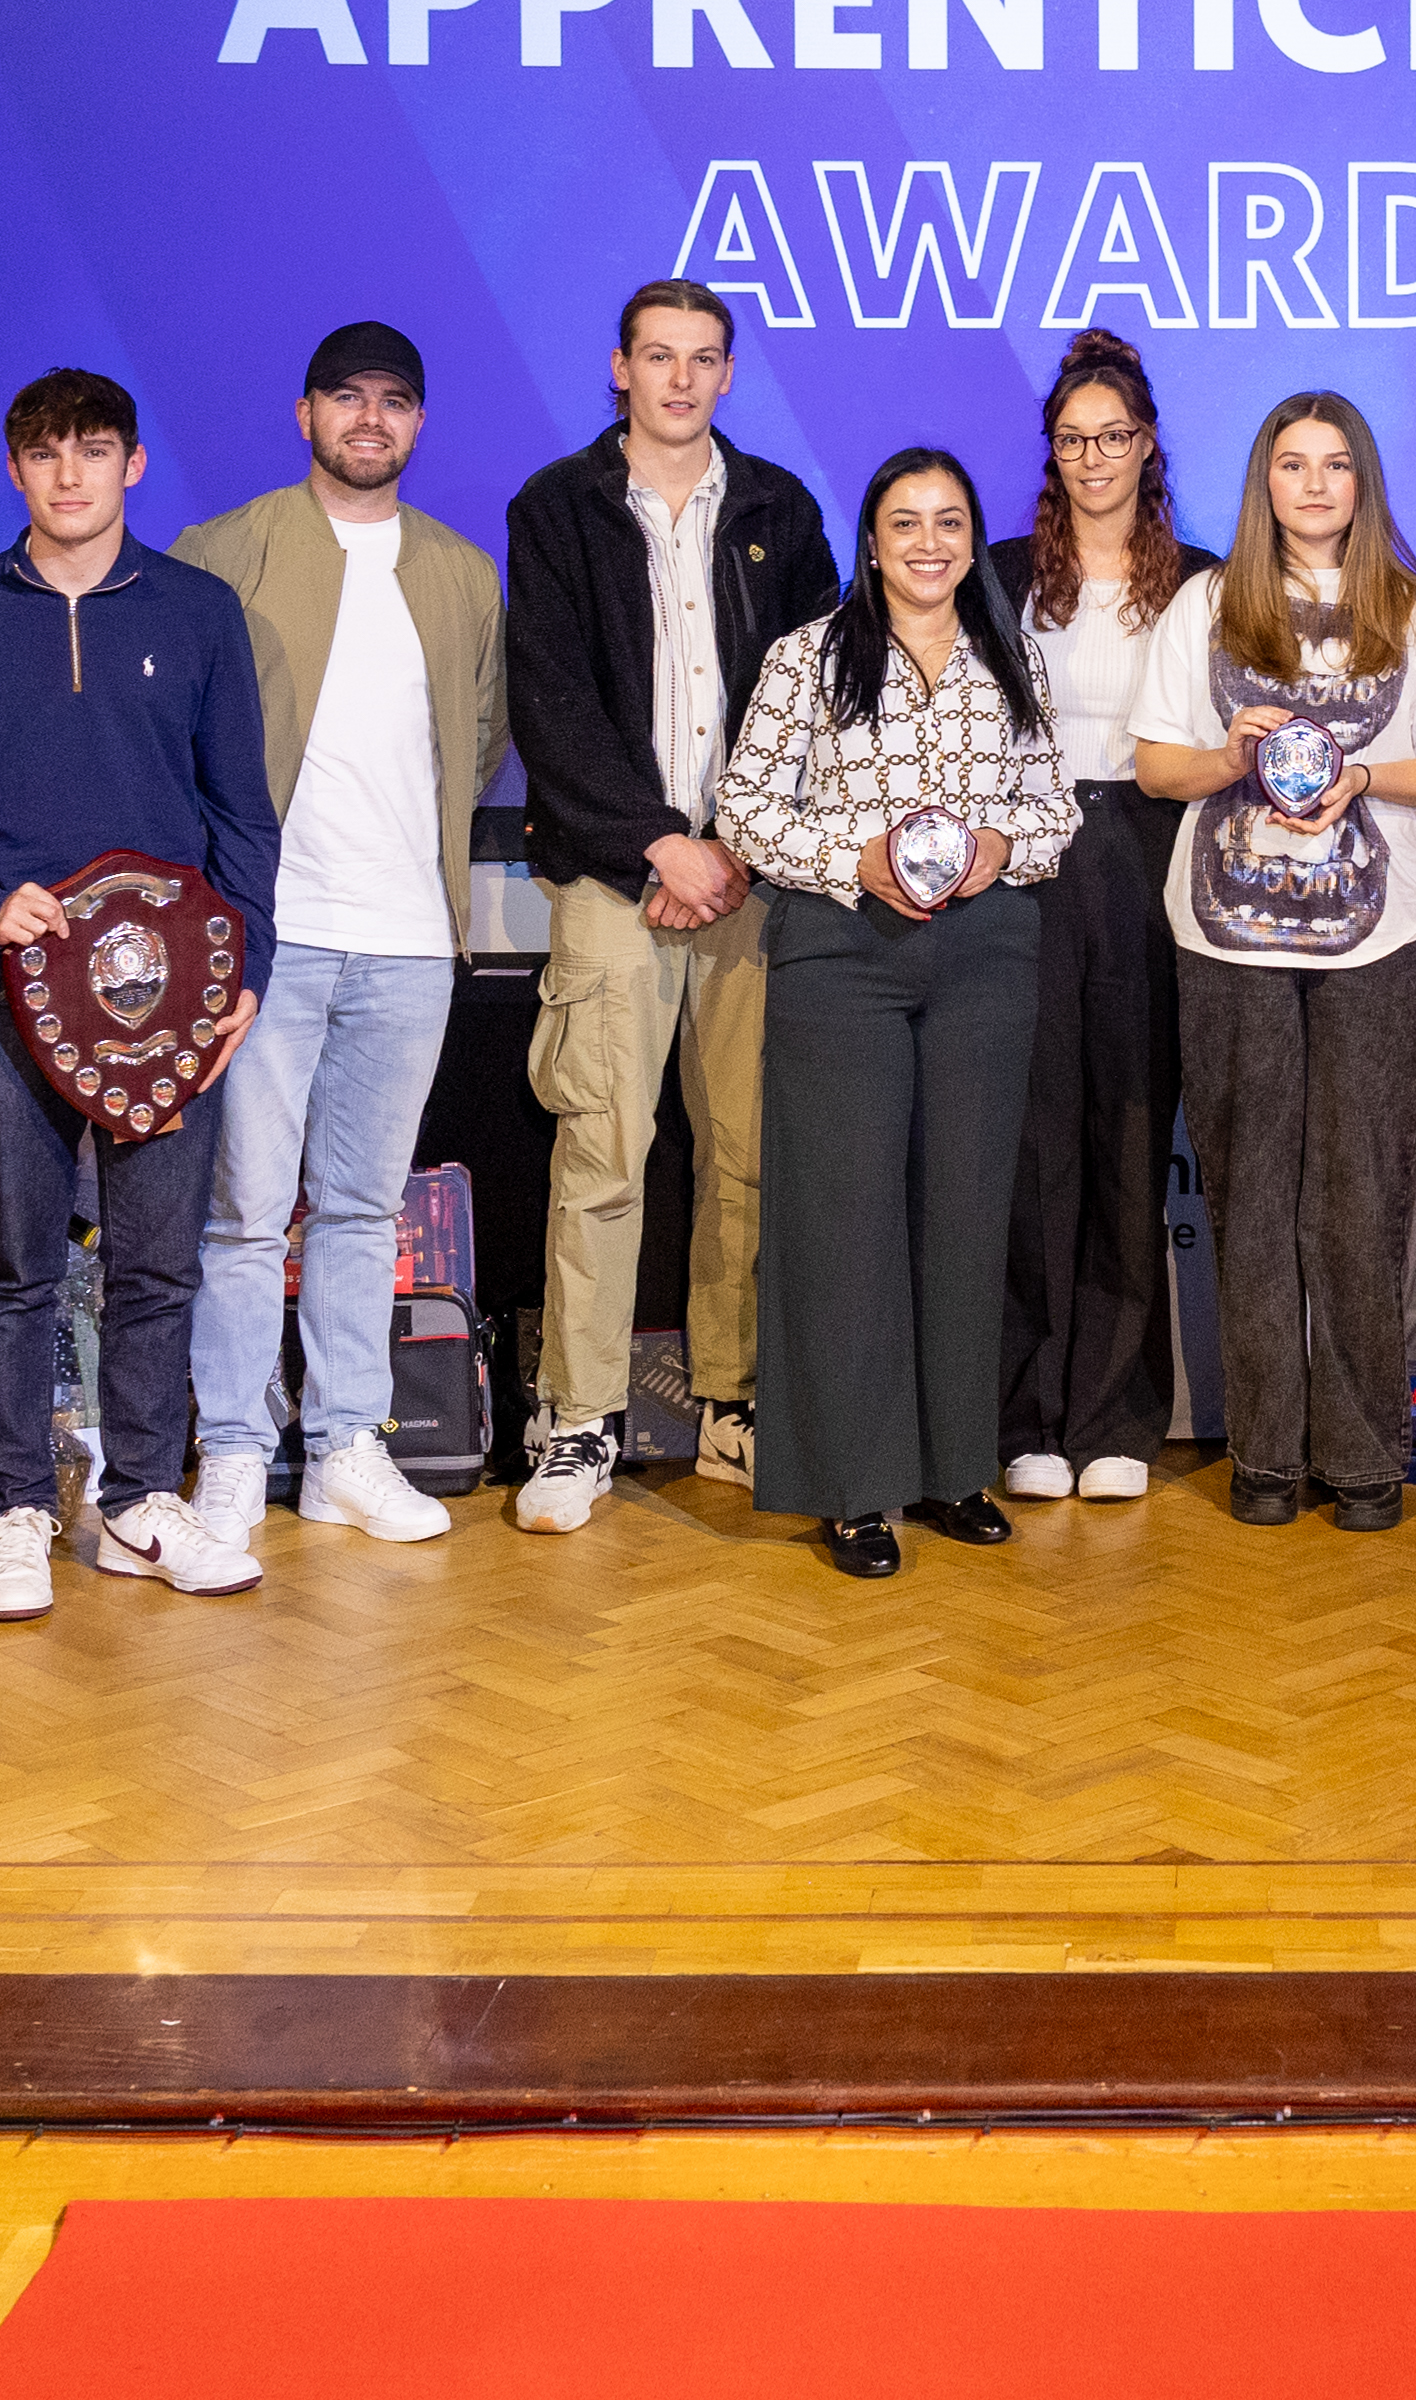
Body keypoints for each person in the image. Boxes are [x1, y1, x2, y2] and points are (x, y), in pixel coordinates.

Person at [0, 368, 280, 1621]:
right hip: (5, 1000)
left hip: (172, 1005)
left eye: (93, 452)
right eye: (44, 454)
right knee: (17, 1268)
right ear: (15, 470)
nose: (69, 475)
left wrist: (244, 974)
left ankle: (142, 1501)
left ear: (133, 466)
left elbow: (239, 816)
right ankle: (14, 1511)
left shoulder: (202, 613)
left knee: (157, 1264)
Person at [499, 280, 839, 1529]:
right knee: (601, 1155)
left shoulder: (779, 510)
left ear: (729, 374)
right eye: (658, 356)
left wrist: (737, 845)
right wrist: (657, 842)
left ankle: (732, 1407)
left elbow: (814, 695)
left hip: (749, 882)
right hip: (612, 882)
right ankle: (577, 1421)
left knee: (745, 1159)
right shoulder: (556, 508)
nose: (681, 379)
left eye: (704, 359)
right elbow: (551, 704)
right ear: (618, 367)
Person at [1129, 389, 1416, 1531]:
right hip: (1226, 934)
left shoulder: (1407, 604)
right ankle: (1266, 1454)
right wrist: (1224, 757)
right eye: (1293, 465)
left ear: (1361, 481)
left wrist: (1362, 776)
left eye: (1336, 464)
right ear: (1264, 483)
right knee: (1248, 1194)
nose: (1316, 484)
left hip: (1375, 940)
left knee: (1358, 1197)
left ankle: (1362, 1455)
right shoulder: (1205, 603)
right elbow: (1151, 769)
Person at [174, 319, 505, 1552]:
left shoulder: (464, 573)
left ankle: (346, 1448)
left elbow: (476, 743)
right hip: (272, 938)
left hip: (411, 939)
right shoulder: (225, 551)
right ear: (304, 413)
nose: (370, 419)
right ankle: (233, 1449)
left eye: (394, 402)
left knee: (364, 1208)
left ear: (418, 424)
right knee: (245, 1212)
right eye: (345, 397)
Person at [715, 449, 1078, 1573]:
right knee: (844, 1220)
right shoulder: (805, 657)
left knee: (964, 1216)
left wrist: (998, 848)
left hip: (984, 953)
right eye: (905, 522)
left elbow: (1055, 806)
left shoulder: (1011, 655)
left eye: (950, 522)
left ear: (973, 539)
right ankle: (854, 1487)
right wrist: (850, 857)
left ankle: (951, 1467)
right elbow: (742, 806)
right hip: (842, 951)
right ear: (869, 542)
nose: (929, 543)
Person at [981, 332, 1218, 1503]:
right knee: (1030, 1142)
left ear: (1146, 443)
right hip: (1023, 854)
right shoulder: (993, 572)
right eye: (1070, 439)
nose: (1091, 458)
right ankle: (1024, 1413)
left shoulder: (1207, 579)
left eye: (1111, 435)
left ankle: (1119, 1417)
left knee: (1130, 1133)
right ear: (1052, 452)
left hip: (1150, 851)